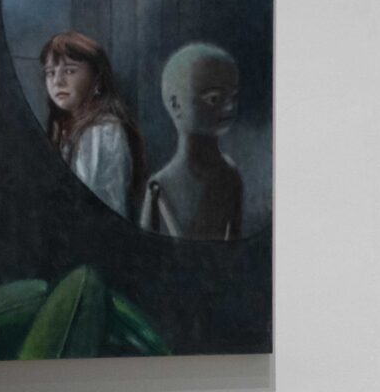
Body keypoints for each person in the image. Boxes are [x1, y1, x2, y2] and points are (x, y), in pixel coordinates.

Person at [139, 42, 243, 241]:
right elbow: (145, 249)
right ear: (176, 105)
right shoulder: (159, 185)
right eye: (214, 99)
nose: (229, 107)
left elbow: (235, 246)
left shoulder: (231, 177)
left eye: (233, 97)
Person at [39, 31, 145, 218]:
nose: (57, 81)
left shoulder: (103, 132)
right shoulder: (62, 128)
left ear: (97, 79)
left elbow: (104, 207)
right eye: (50, 73)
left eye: (70, 71)